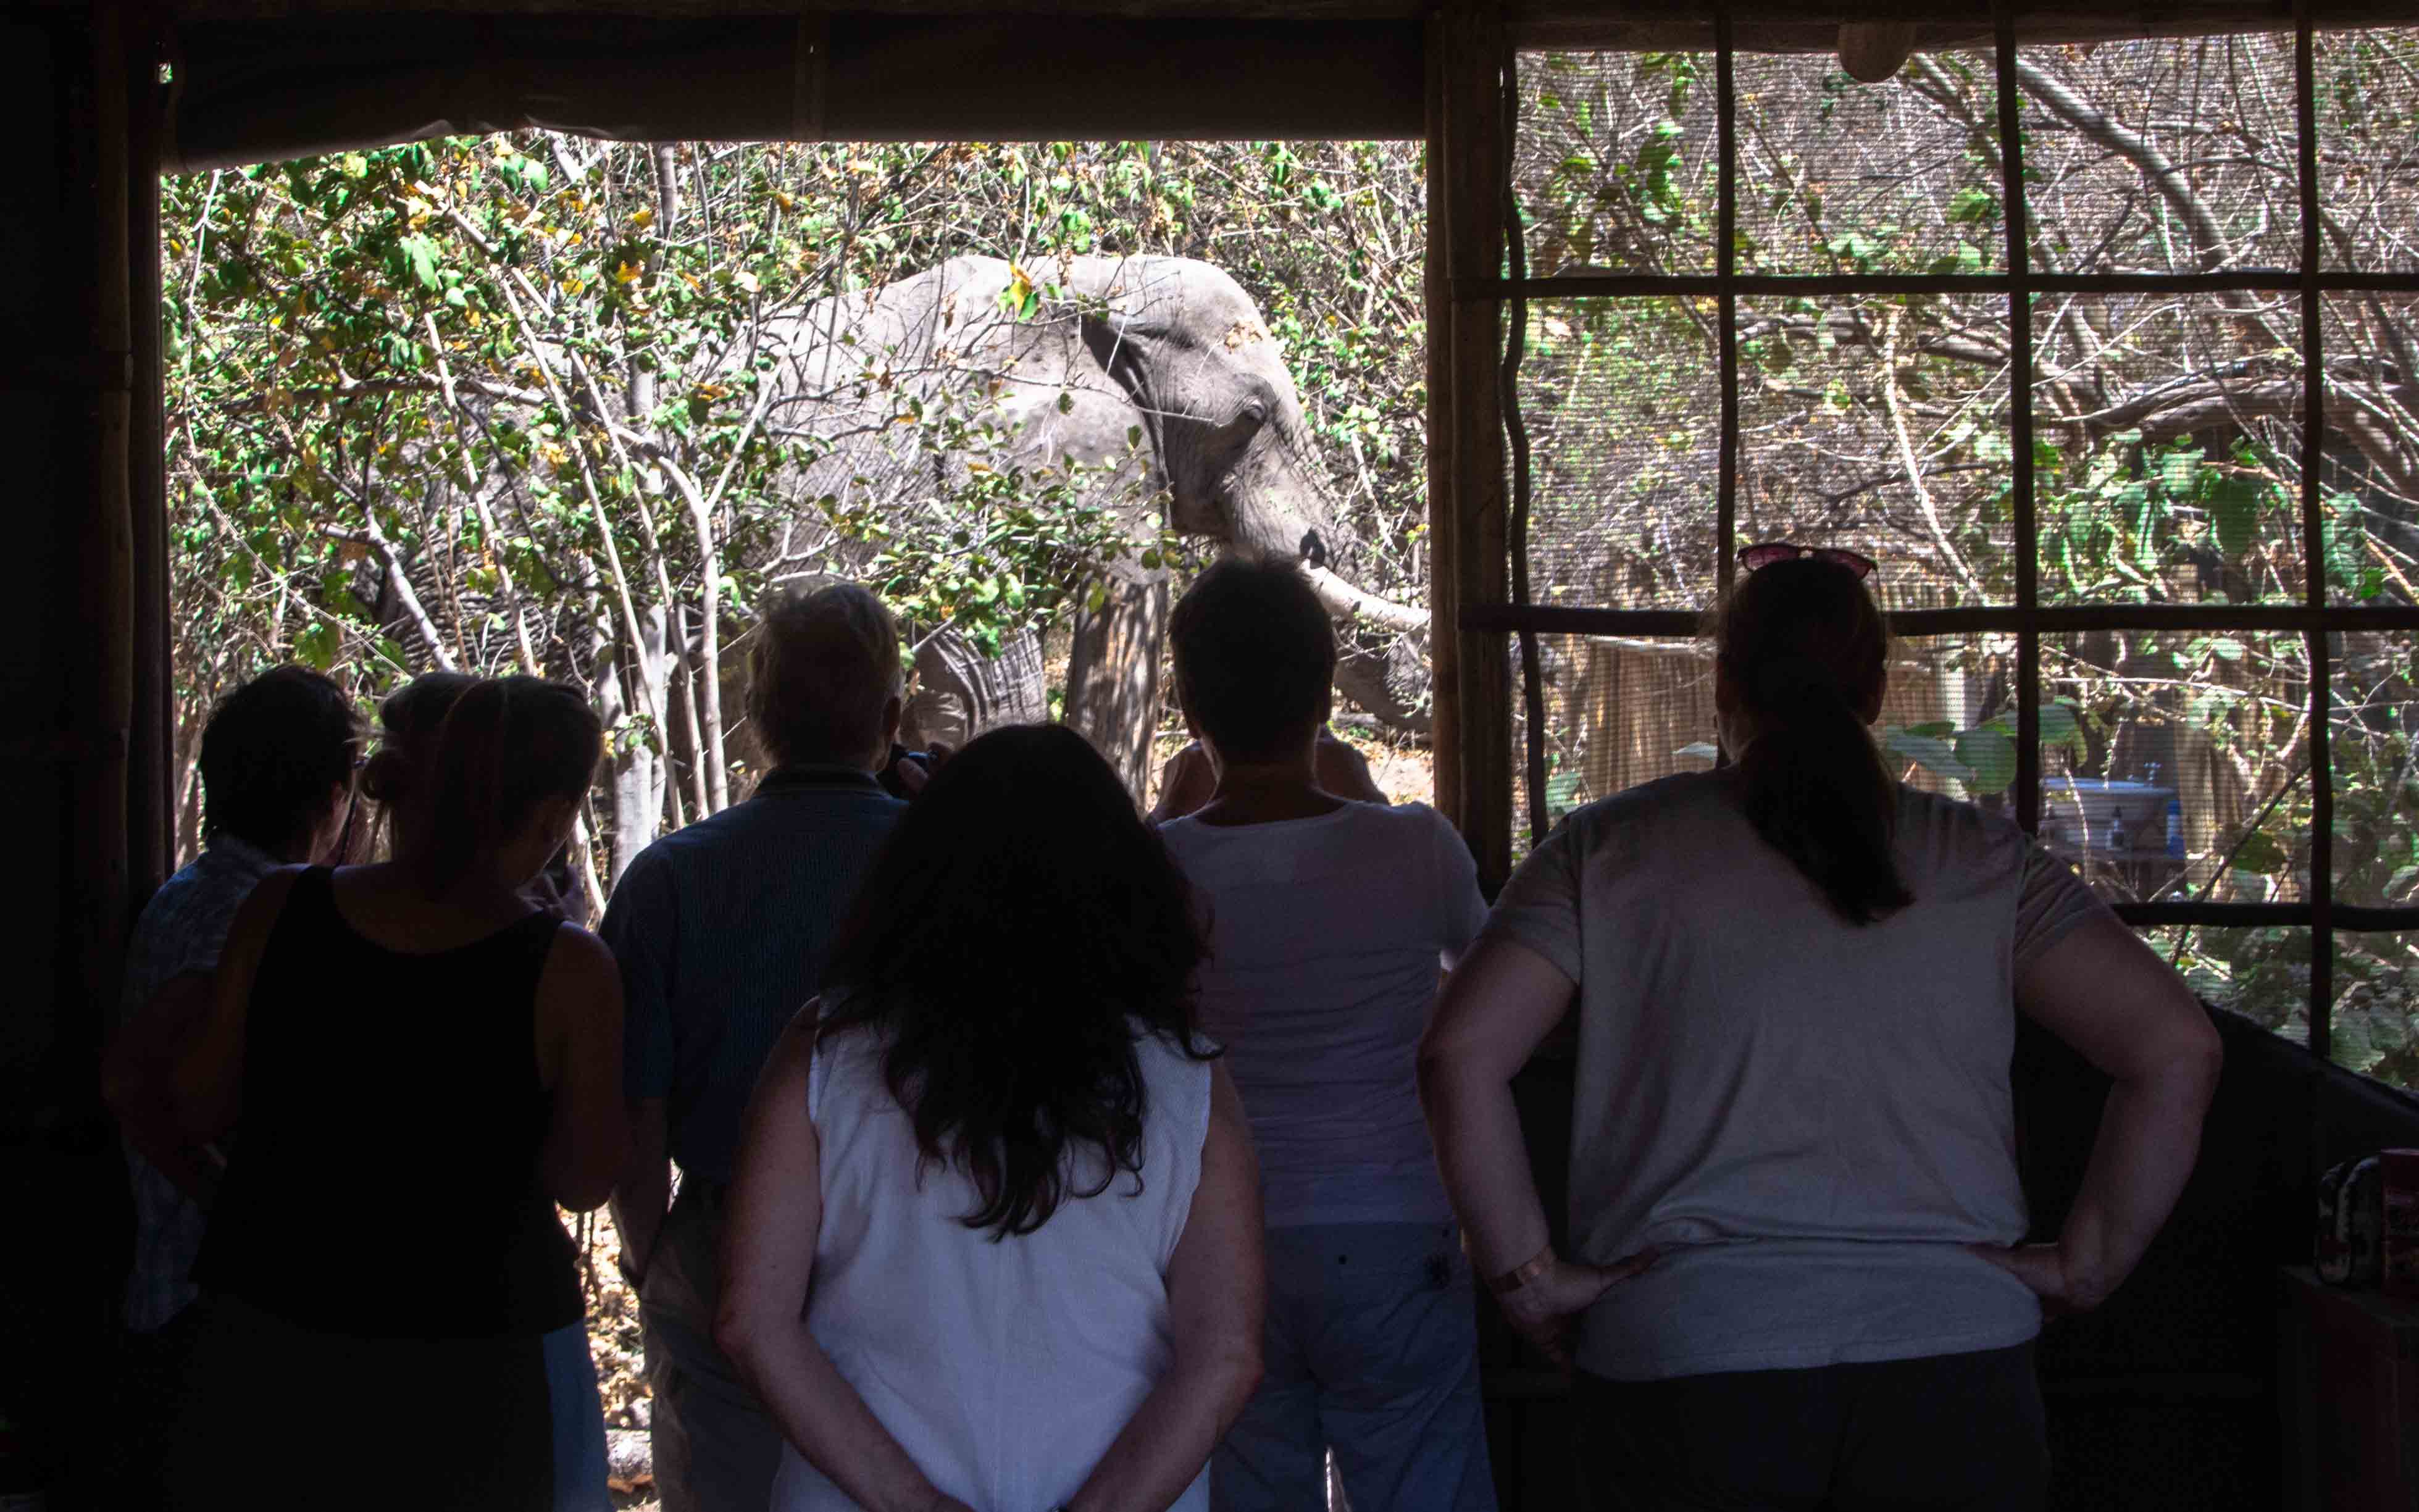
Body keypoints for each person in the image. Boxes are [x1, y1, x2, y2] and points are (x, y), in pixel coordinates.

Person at [1418, 545, 2225, 1512]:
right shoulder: (1979, 858)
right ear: (1878, 689)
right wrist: (2086, 1264)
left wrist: (1528, 1280)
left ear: (1721, 683)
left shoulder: (1606, 846)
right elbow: (2176, 1047)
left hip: (1686, 1357)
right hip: (1952, 1361)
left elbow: (1458, 1054)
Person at [716, 724, 1266, 1512]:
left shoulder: (824, 1052)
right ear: (1124, 882)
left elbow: (750, 1324)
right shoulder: (1188, 1077)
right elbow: (1227, 1354)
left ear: (919, 875)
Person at [159, 674, 627, 1511]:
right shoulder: (565, 969)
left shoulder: (281, 907)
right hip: (470, 1366)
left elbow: (197, 1104)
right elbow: (585, 1177)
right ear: (554, 818)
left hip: (272, 1338)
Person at [1150, 559, 1496, 1511]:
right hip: (1393, 1229)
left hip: (1221, 1239)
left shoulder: (1156, 866)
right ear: (1323, 691)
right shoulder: (1414, 845)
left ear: (1188, 703)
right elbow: (1491, 987)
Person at [602, 582, 913, 1512]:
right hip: (911, 1232)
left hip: (720, 1231)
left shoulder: (670, 878)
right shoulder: (940, 865)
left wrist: (650, 1248)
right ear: (892, 718)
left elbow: (634, 1104)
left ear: (752, 716)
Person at [99, 666, 362, 1504]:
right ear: (330, 797)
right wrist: (235, 1207)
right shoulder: (248, 915)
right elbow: (136, 1083)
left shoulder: (199, 890)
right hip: (207, 1310)